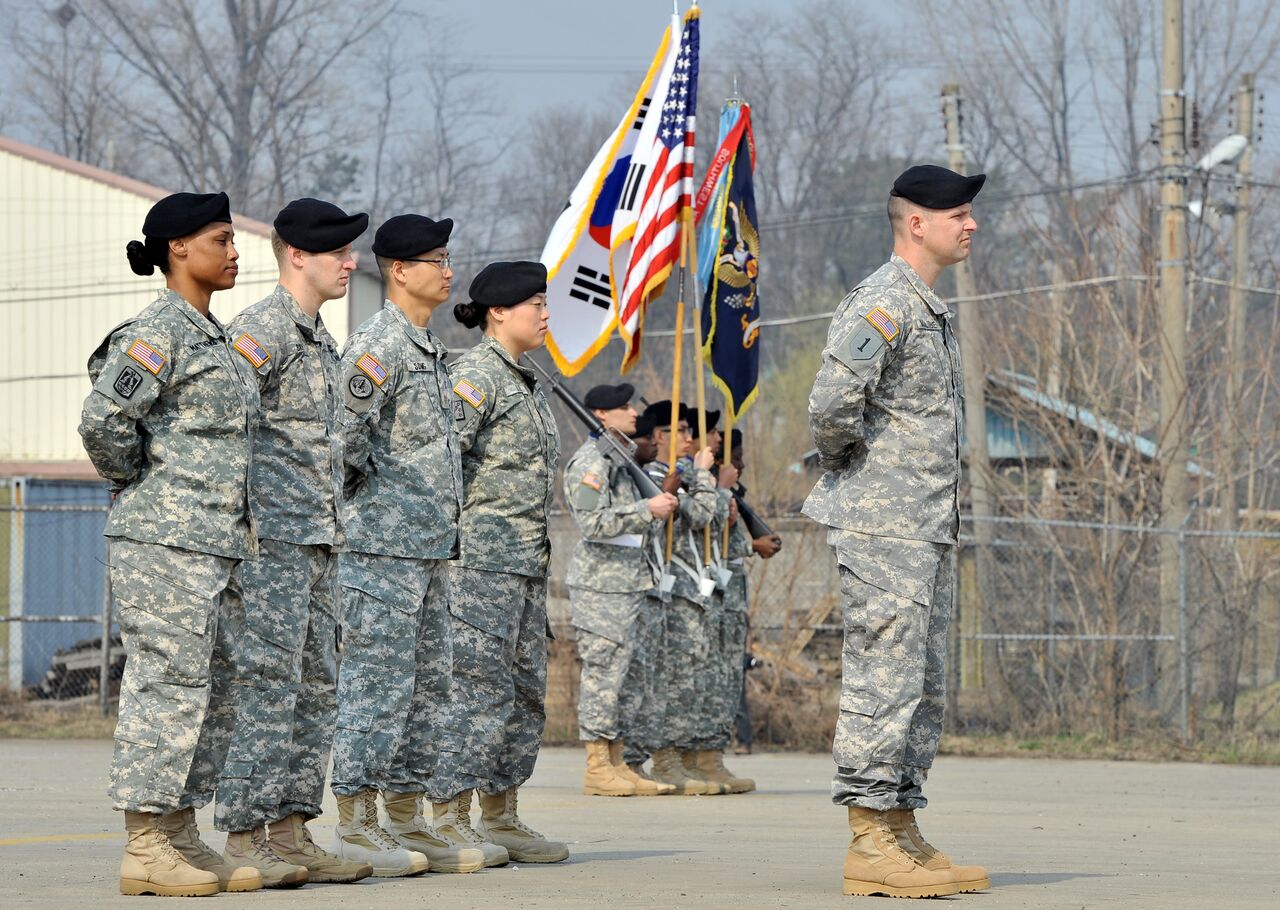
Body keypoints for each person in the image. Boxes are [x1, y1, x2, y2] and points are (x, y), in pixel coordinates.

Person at [805, 164, 990, 898]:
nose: (971, 225)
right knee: (883, 678)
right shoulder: (884, 302)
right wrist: (858, 472)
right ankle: (868, 838)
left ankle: (899, 822)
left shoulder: (925, 306)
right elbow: (832, 403)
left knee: (920, 683)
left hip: (925, 528)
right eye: (958, 215)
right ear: (917, 223)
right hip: (885, 528)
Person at [80, 192, 263, 897]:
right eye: (221, 239)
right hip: (165, 543)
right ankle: (144, 843)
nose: (234, 252)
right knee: (168, 686)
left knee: (213, 690)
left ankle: (181, 829)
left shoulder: (214, 339)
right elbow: (104, 422)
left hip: (217, 546)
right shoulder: (157, 334)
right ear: (178, 248)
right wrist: (144, 483)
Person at [212, 198, 371, 887]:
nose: (350, 263)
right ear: (298, 255)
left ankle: (290, 830)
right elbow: (222, 426)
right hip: (270, 544)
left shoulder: (321, 341)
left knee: (314, 689)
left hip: (318, 542)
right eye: (338, 251)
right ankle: (244, 833)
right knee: (266, 688)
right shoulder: (262, 332)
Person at [328, 214, 485, 877]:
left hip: (428, 550)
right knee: (377, 686)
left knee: (426, 688)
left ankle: (404, 812)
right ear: (399, 270)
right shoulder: (378, 347)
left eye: (448, 259)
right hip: (382, 552)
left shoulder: (428, 350)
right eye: (435, 261)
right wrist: (376, 509)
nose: (448, 272)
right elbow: (342, 442)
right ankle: (356, 821)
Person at [427, 260, 568, 863]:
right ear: (499, 312)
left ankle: (501, 813)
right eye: (536, 305)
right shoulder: (475, 378)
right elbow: (442, 464)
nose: (546, 314)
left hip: (525, 565)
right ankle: (450, 814)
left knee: (523, 693)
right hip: (479, 567)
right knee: (473, 691)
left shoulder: (524, 380)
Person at [564, 383, 678, 797]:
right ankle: (597, 766)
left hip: (626, 584)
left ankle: (617, 761)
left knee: (622, 679)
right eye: (624, 407)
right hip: (601, 588)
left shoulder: (619, 459)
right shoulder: (591, 463)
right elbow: (592, 523)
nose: (634, 413)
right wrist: (647, 509)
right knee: (602, 676)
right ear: (600, 414)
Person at [640, 401, 728, 795]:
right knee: (674, 680)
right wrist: (705, 475)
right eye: (681, 431)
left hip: (693, 589)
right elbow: (701, 515)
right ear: (659, 436)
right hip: (672, 589)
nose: (689, 438)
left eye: (690, 431)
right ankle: (666, 759)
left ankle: (687, 757)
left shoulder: (681, 476)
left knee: (691, 679)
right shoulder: (654, 477)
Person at [682, 411, 753, 793]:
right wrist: (722, 490)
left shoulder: (709, 480)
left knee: (723, 677)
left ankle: (711, 756)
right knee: (700, 676)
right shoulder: (691, 478)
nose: (717, 438)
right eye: (710, 431)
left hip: (725, 587)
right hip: (698, 587)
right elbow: (700, 524)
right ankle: (690, 758)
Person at [728, 429, 779, 758]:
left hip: (732, 598)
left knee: (734, 671)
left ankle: (737, 740)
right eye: (736, 458)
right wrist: (752, 546)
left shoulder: (732, 494)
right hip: (712, 596)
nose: (742, 465)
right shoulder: (711, 491)